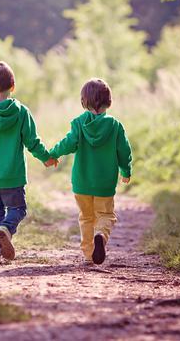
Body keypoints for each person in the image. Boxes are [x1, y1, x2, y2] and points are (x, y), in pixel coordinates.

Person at [0, 61, 58, 263]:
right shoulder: (21, 112)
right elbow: (32, 142)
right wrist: (47, 158)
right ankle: (6, 228)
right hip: (13, 175)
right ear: (12, 86)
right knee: (17, 210)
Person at [49, 78, 132, 265]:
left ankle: (88, 255)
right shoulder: (115, 126)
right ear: (108, 101)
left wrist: (52, 155)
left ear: (84, 101)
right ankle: (101, 235)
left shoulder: (79, 123)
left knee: (86, 218)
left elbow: (68, 143)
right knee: (105, 215)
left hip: (82, 182)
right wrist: (126, 170)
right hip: (105, 183)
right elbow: (124, 151)